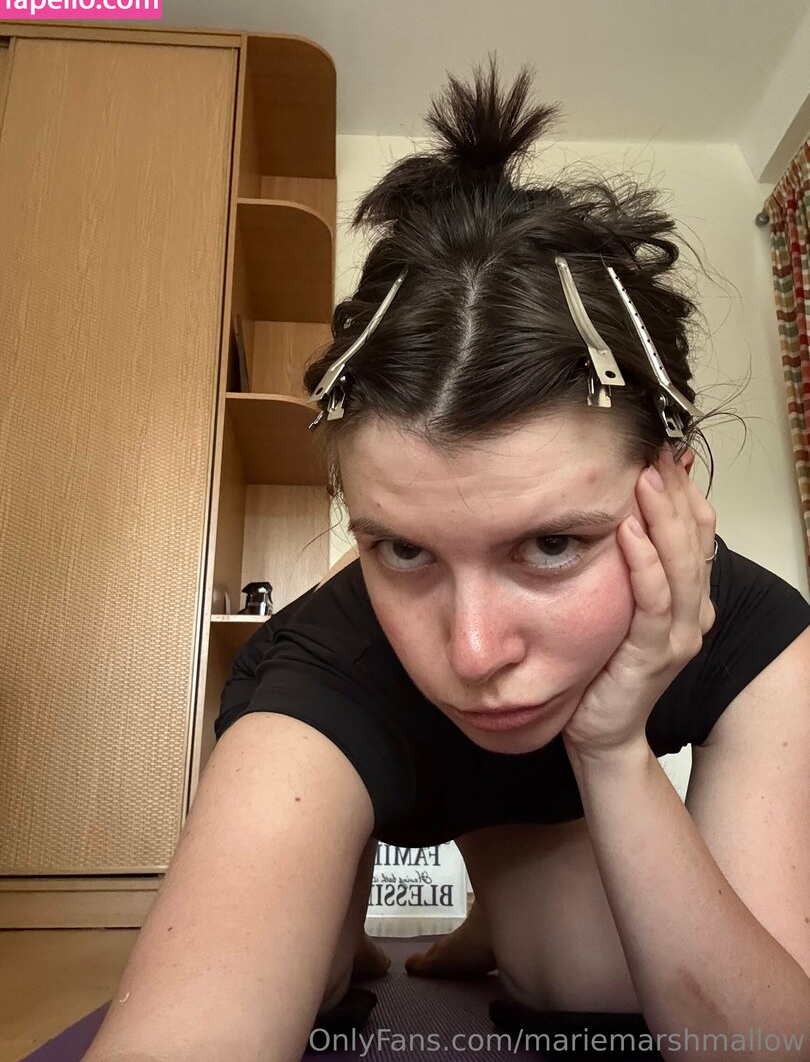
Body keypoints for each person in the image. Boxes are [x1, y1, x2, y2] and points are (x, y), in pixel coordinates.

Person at [83, 57, 810, 1062]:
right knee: (314, 975)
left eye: (551, 544)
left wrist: (611, 754)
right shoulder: (323, 665)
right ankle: (359, 925)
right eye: (403, 547)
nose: (471, 651)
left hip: (561, 807)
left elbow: (766, 1039)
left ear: (673, 490)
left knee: (593, 974)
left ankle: (492, 903)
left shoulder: (760, 634)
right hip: (372, 741)